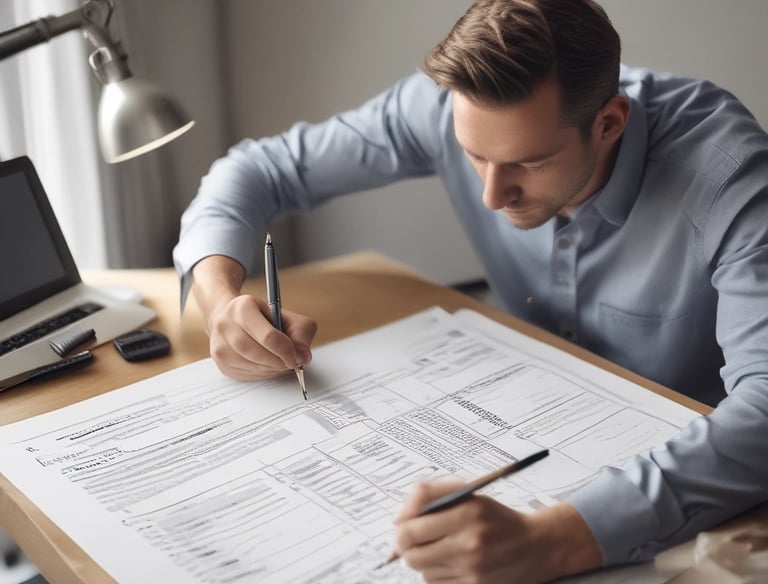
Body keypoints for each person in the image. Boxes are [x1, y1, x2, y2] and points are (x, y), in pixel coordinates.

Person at [173, 0, 768, 581]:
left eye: (528, 163)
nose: (491, 196)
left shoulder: (730, 176)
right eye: (472, 156)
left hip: (697, 492)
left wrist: (557, 541)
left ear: (609, 123)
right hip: (519, 417)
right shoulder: (444, 106)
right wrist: (220, 300)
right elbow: (255, 171)